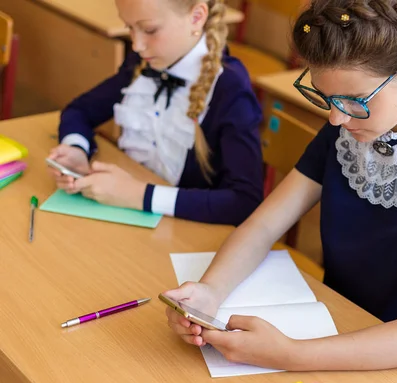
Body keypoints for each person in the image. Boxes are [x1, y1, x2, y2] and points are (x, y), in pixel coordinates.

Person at [163, 0, 397, 383]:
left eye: (355, 101)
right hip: (339, 324)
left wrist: (289, 354)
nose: (336, 118)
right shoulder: (350, 125)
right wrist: (209, 292)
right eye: (326, 98)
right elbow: (263, 226)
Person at [47, 0, 263, 225]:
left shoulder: (229, 89)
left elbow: (245, 201)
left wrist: (140, 195)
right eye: (129, 27)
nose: (137, 45)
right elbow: (79, 110)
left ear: (197, 17)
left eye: (150, 30)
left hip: (185, 234)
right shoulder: (143, 64)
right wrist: (77, 148)